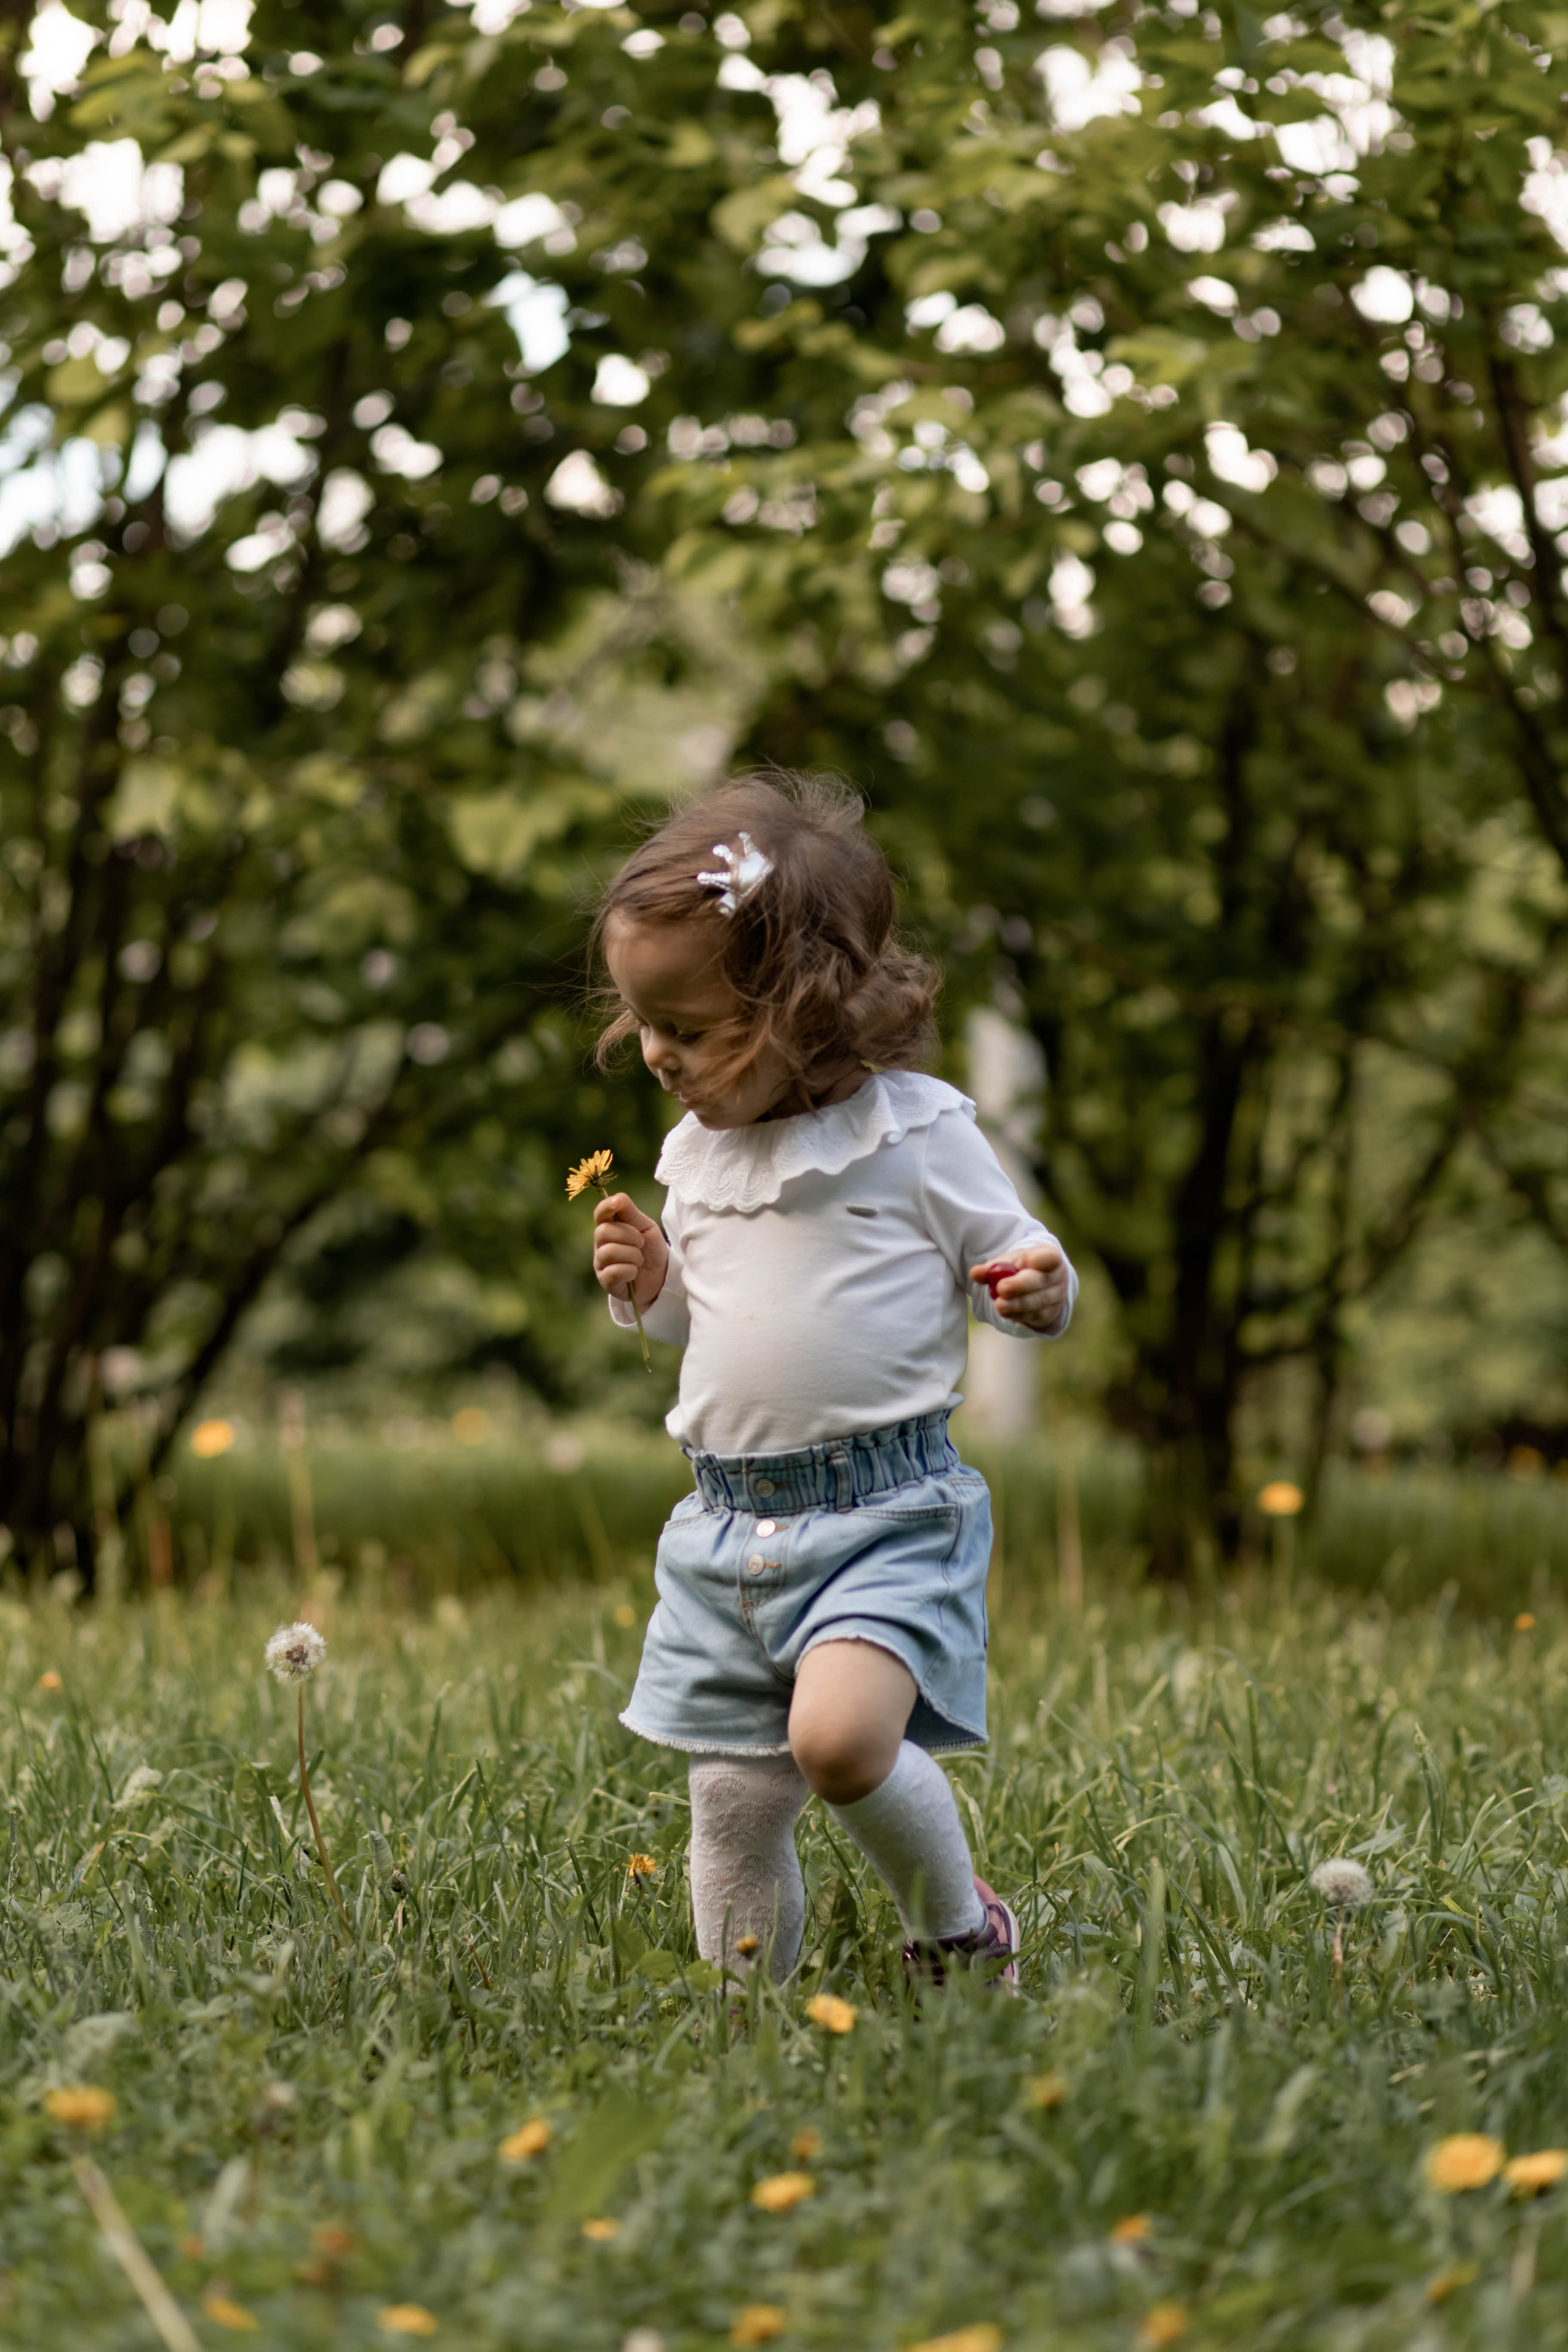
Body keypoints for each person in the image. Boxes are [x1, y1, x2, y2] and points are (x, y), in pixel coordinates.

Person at [588, 771, 1076, 1989]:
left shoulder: (913, 1132)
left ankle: (959, 1931)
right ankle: (740, 2021)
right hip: (723, 1525)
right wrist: (647, 1282)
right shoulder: (695, 1156)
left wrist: (1033, 1286)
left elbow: (1010, 1252)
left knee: (841, 1744)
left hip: (880, 1513)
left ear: (802, 1009)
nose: (655, 1055)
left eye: (686, 1029)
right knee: (732, 1798)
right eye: (644, 1025)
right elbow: (711, 1314)